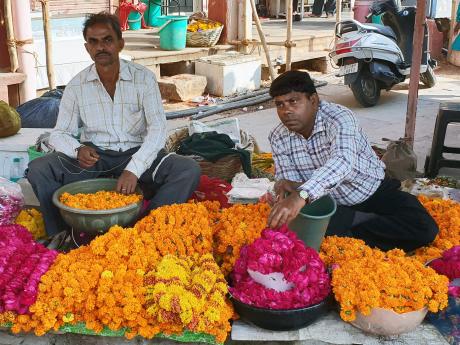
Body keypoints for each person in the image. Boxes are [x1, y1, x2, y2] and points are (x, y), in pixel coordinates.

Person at [27, 12, 201, 237]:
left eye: (107, 40)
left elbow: (157, 130)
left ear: (120, 43)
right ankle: (63, 235)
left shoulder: (143, 78)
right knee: (40, 168)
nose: (101, 47)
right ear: (87, 47)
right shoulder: (76, 85)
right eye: (94, 42)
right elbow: (59, 133)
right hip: (96, 159)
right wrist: (77, 149)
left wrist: (133, 169)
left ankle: (144, 230)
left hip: (138, 155)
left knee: (187, 169)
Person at [266, 70, 438, 252]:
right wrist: (287, 189)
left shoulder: (339, 118)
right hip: (329, 204)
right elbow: (291, 188)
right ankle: (355, 225)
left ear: (313, 100)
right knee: (297, 231)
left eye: (293, 101)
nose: (286, 111)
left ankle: (354, 224)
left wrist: (300, 196)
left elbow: (342, 162)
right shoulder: (278, 137)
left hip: (372, 192)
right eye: (280, 105)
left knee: (424, 228)